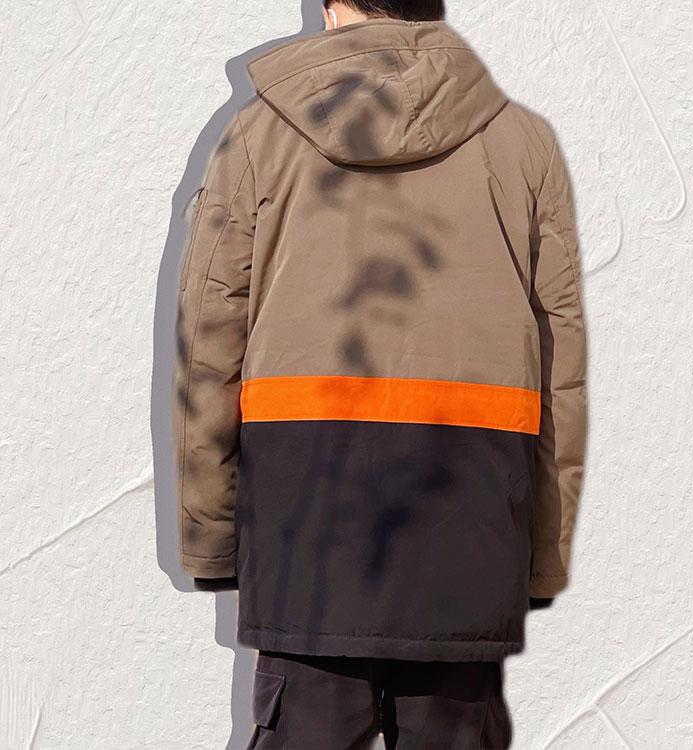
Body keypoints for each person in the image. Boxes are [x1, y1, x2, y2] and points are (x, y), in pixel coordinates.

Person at [172, 0, 588, 747]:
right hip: (471, 525)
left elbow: (209, 344)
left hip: (306, 527)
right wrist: (543, 552)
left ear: (332, 9)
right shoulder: (524, 144)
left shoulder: (258, 136)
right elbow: (560, 362)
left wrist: (213, 532)